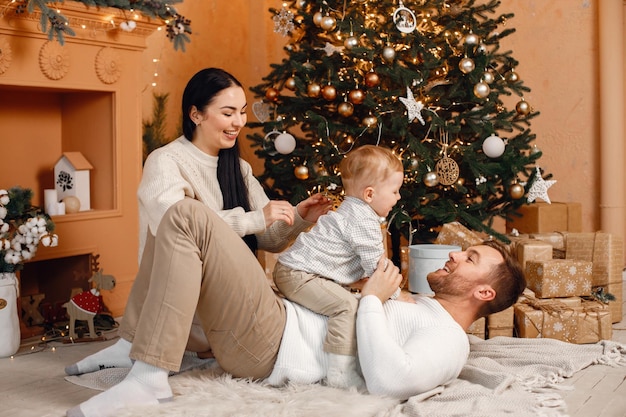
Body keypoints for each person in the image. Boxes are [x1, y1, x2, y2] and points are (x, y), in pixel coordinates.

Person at [64, 69, 526, 417]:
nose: (452, 252)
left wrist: (364, 296)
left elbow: (391, 381)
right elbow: (187, 227)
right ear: (196, 114)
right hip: (267, 310)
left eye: (468, 258)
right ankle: (142, 358)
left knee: (188, 215)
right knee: (185, 216)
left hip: (271, 333)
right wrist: (367, 293)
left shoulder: (447, 339)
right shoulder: (169, 161)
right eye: (229, 112)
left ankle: (146, 372)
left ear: (483, 292)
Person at [273, 144, 408, 389]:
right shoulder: (363, 221)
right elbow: (377, 267)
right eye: (395, 191)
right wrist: (396, 294)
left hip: (298, 270)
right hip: (297, 275)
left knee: (346, 297)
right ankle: (340, 372)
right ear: (369, 194)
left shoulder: (353, 209)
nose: (398, 197)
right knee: (346, 306)